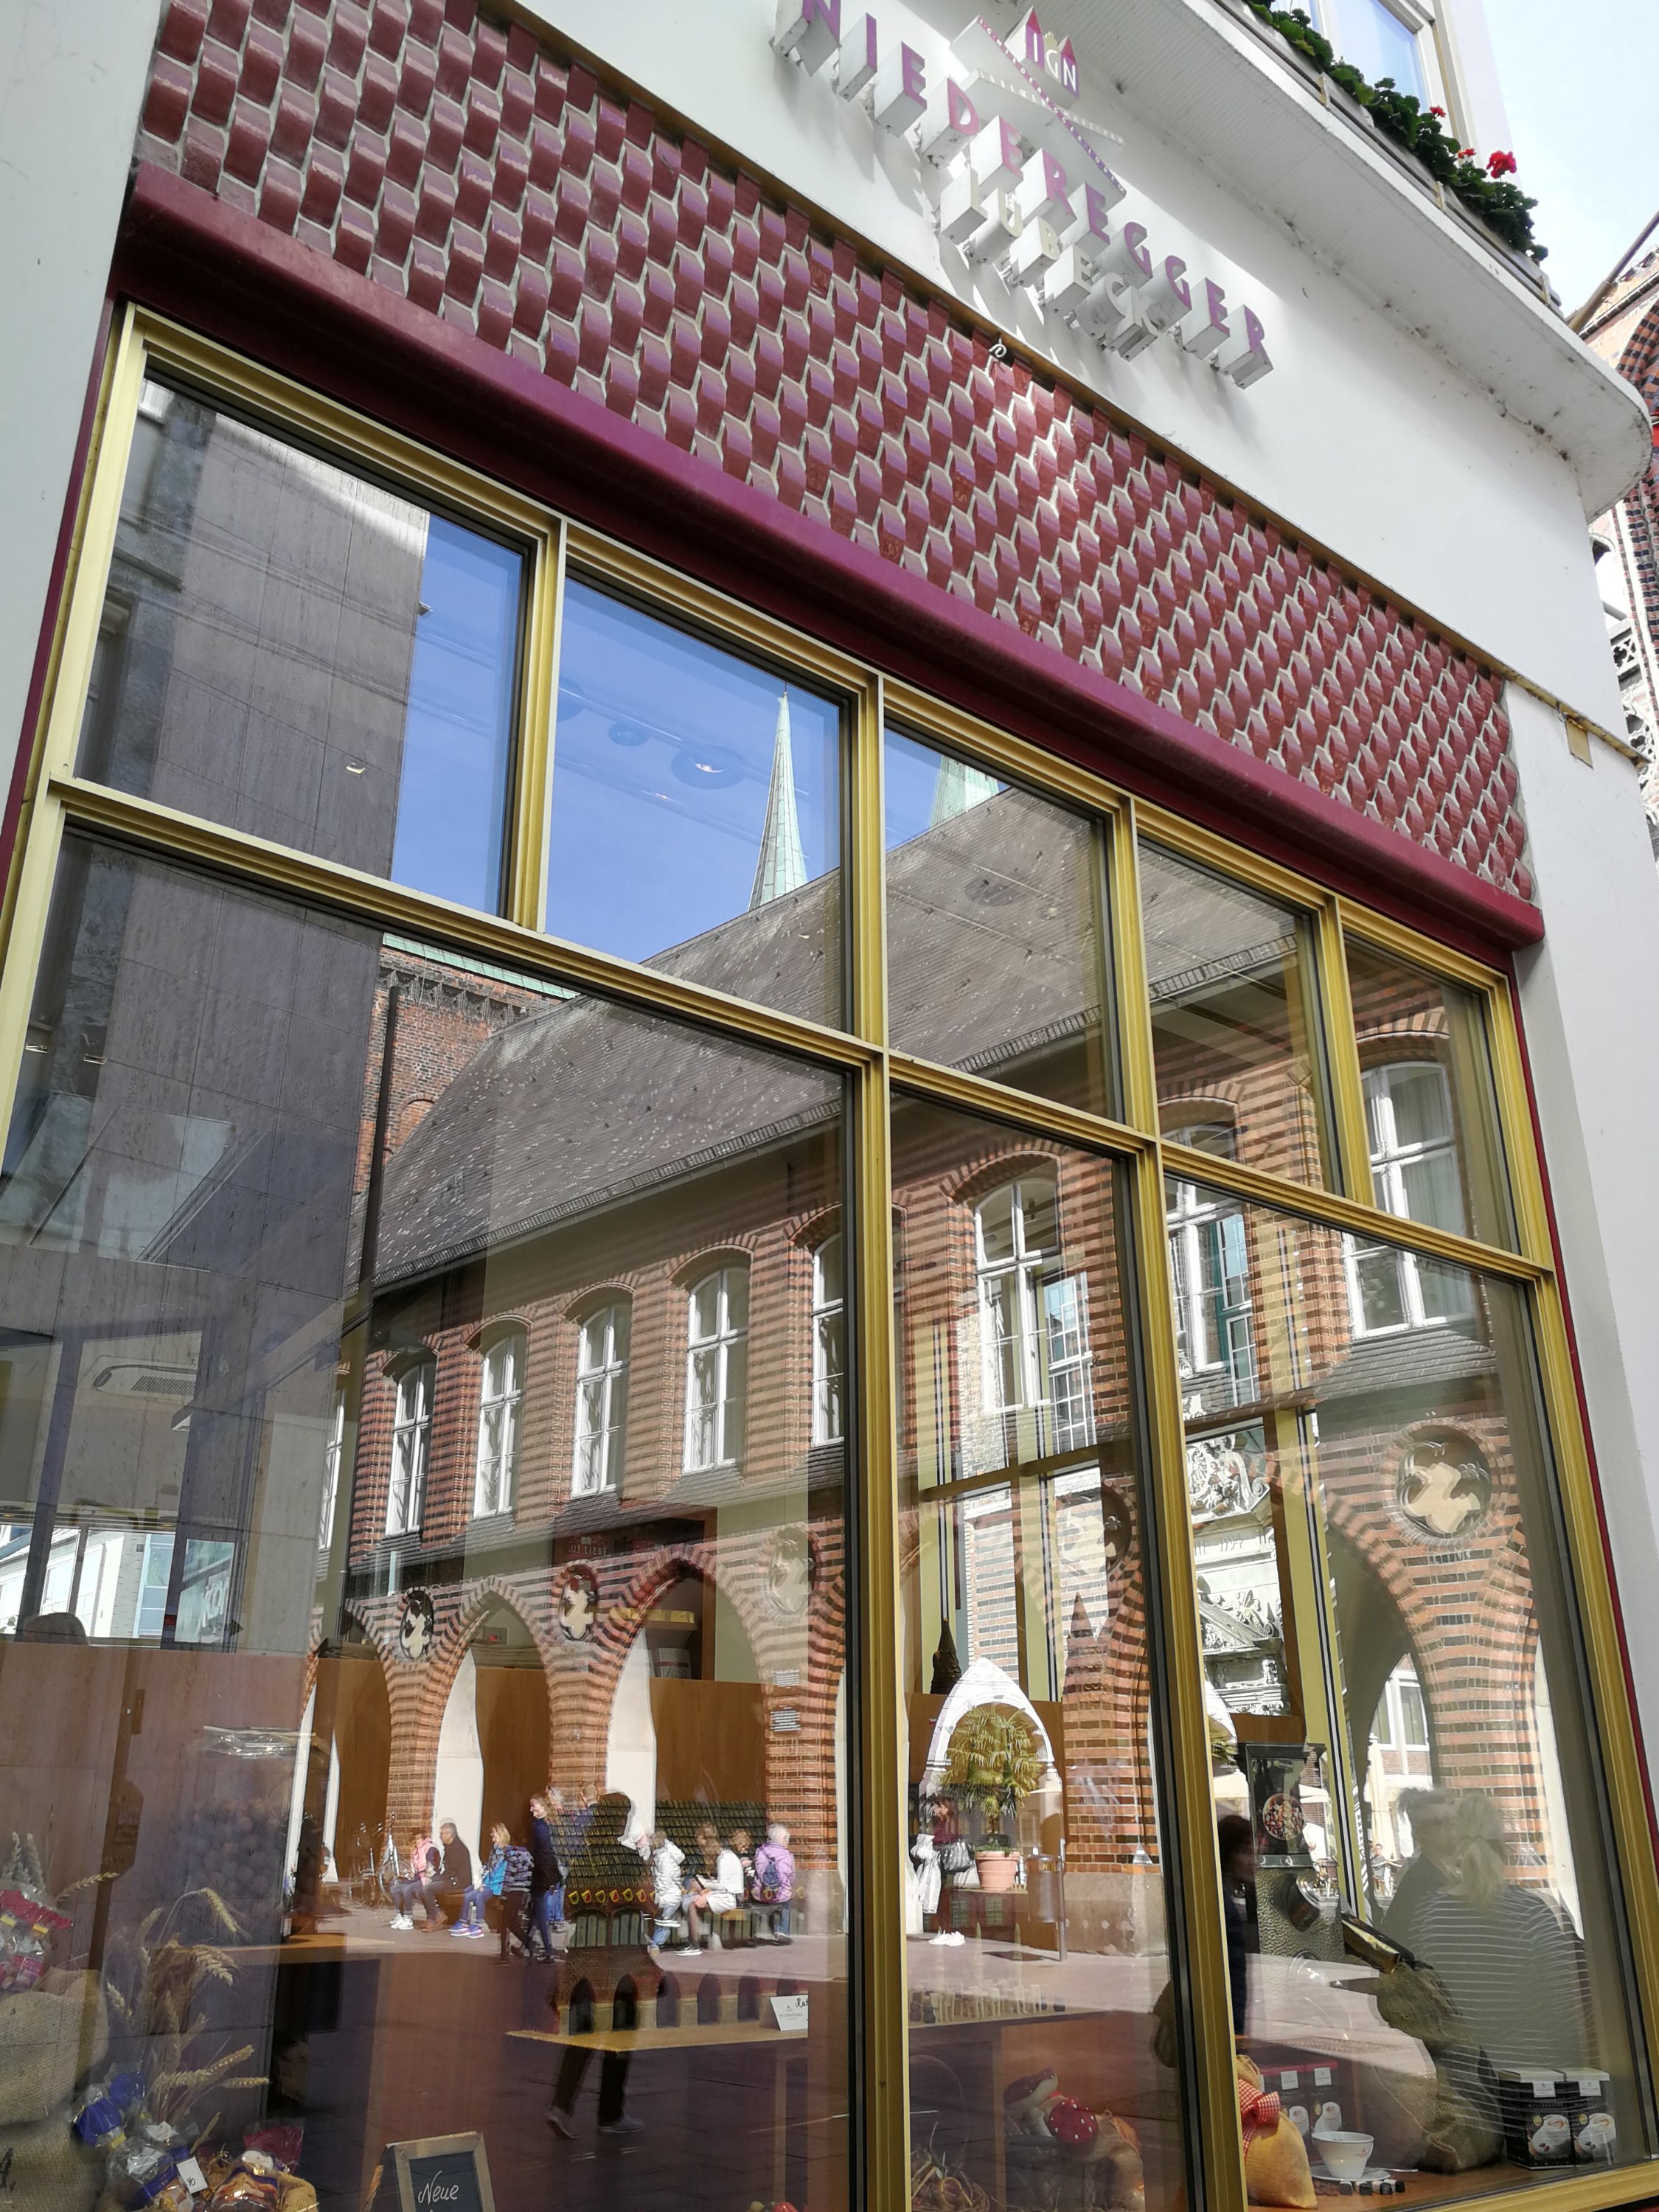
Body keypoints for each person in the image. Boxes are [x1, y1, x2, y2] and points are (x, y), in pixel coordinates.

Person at [1408, 1790, 1589, 2073]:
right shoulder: (1532, 1913)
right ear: (1504, 1842)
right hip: (1533, 2075)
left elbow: (1424, 2003)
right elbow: (1565, 2013)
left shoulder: (1428, 1914)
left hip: (1461, 2076)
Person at [547, 1793, 656, 2140]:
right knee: (620, 2037)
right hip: (620, 1961)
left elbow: (568, 1909)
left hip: (584, 1959)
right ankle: (610, 2113)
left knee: (582, 2036)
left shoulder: (583, 1860)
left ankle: (561, 2106)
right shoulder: (629, 1860)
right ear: (620, 1820)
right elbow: (649, 1902)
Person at [1217, 1812, 1256, 2037]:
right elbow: (1232, 1980)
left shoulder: (1224, 1899)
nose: (1252, 1861)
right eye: (1245, 1852)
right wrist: (1236, 2033)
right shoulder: (1224, 1908)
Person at [684, 1823, 742, 1949]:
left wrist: (705, 1886)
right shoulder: (723, 1857)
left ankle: (694, 1944)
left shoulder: (724, 1859)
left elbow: (721, 1885)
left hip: (729, 1898)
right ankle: (696, 1938)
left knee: (692, 1905)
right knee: (695, 1890)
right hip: (725, 1894)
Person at [455, 1823, 512, 1939]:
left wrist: (486, 1885)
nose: (493, 1840)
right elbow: (489, 1869)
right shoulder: (494, 1851)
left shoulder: (507, 1853)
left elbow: (501, 1874)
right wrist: (483, 1882)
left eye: (495, 1837)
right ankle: (463, 1922)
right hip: (488, 1883)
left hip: (497, 1886)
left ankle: (479, 1924)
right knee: (467, 1894)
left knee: (479, 1897)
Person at [527, 1795, 563, 1961]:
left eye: (534, 1806)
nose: (531, 1810)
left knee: (539, 1909)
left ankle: (547, 1949)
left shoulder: (540, 1827)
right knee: (535, 1908)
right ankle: (526, 1944)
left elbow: (543, 1852)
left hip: (542, 1872)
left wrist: (545, 1873)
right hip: (549, 1871)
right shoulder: (552, 1824)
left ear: (543, 1806)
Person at [752, 1821, 796, 1941]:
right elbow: (791, 1875)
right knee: (785, 1901)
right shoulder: (787, 1855)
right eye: (787, 1839)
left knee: (768, 1900)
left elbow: (757, 1870)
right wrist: (790, 1885)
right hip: (780, 1893)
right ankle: (782, 1931)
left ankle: (759, 1930)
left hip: (762, 1892)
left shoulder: (760, 1851)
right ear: (781, 1839)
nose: (788, 1842)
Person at [389, 1832, 439, 1929]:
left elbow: (431, 1869)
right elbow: (415, 1868)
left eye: (418, 1839)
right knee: (395, 1888)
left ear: (423, 1839)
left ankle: (408, 1918)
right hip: (417, 1877)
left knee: (407, 1889)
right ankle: (400, 1915)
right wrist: (409, 1874)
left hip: (426, 1879)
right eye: (415, 1839)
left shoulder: (430, 1849)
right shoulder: (416, 1850)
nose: (416, 1841)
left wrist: (419, 1875)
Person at [428, 1820, 473, 1927]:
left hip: (458, 1882)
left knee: (428, 1888)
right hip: (451, 1879)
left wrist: (436, 1879)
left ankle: (438, 1916)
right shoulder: (449, 1847)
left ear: (449, 1835)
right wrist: (434, 1878)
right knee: (423, 1886)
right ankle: (433, 1917)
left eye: (442, 1834)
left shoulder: (458, 1849)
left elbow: (451, 1872)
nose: (440, 1836)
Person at [649, 1828, 685, 1946]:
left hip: (670, 1895)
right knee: (662, 1919)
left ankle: (656, 1943)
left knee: (664, 1920)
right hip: (669, 1894)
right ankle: (655, 1942)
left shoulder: (665, 1858)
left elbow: (665, 1879)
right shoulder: (661, 1856)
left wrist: (659, 1894)